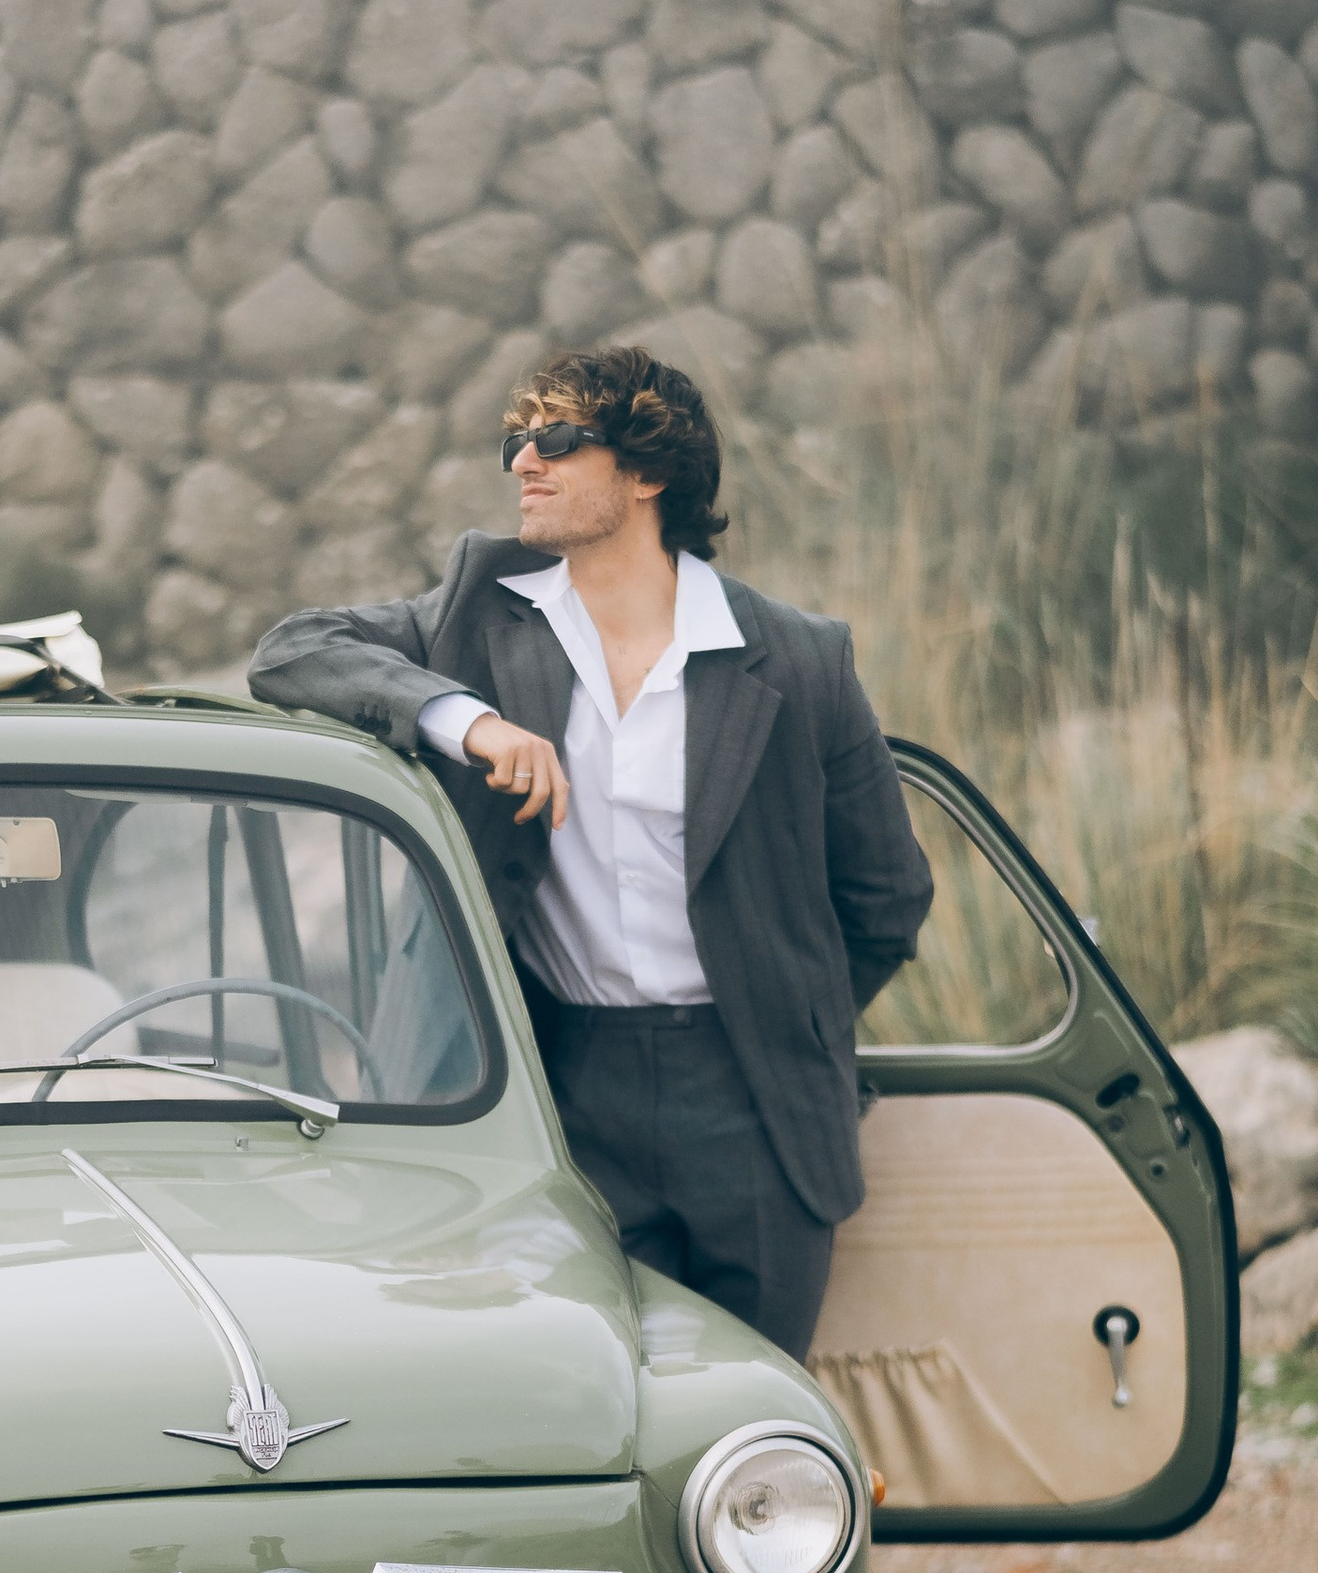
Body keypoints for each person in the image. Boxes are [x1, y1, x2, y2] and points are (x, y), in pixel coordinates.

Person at [248, 343, 933, 1353]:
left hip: (752, 1098)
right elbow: (290, 652)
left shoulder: (797, 659)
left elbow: (884, 899)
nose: (525, 460)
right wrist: (464, 721)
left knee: (745, 1421)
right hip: (560, 1089)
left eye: (559, 440)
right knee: (589, 1406)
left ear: (649, 471)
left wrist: (787, 1015)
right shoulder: (480, 614)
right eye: (515, 440)